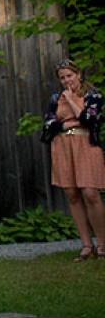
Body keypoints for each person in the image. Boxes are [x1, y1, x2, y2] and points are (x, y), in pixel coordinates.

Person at [41, 60, 105, 259]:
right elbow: (48, 126)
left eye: (69, 75)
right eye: (62, 77)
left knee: (90, 192)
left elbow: (90, 120)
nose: (66, 80)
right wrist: (67, 126)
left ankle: (102, 244)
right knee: (72, 193)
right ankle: (87, 245)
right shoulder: (54, 98)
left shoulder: (93, 96)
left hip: (86, 145)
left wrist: (70, 100)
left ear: (78, 74)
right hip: (62, 146)